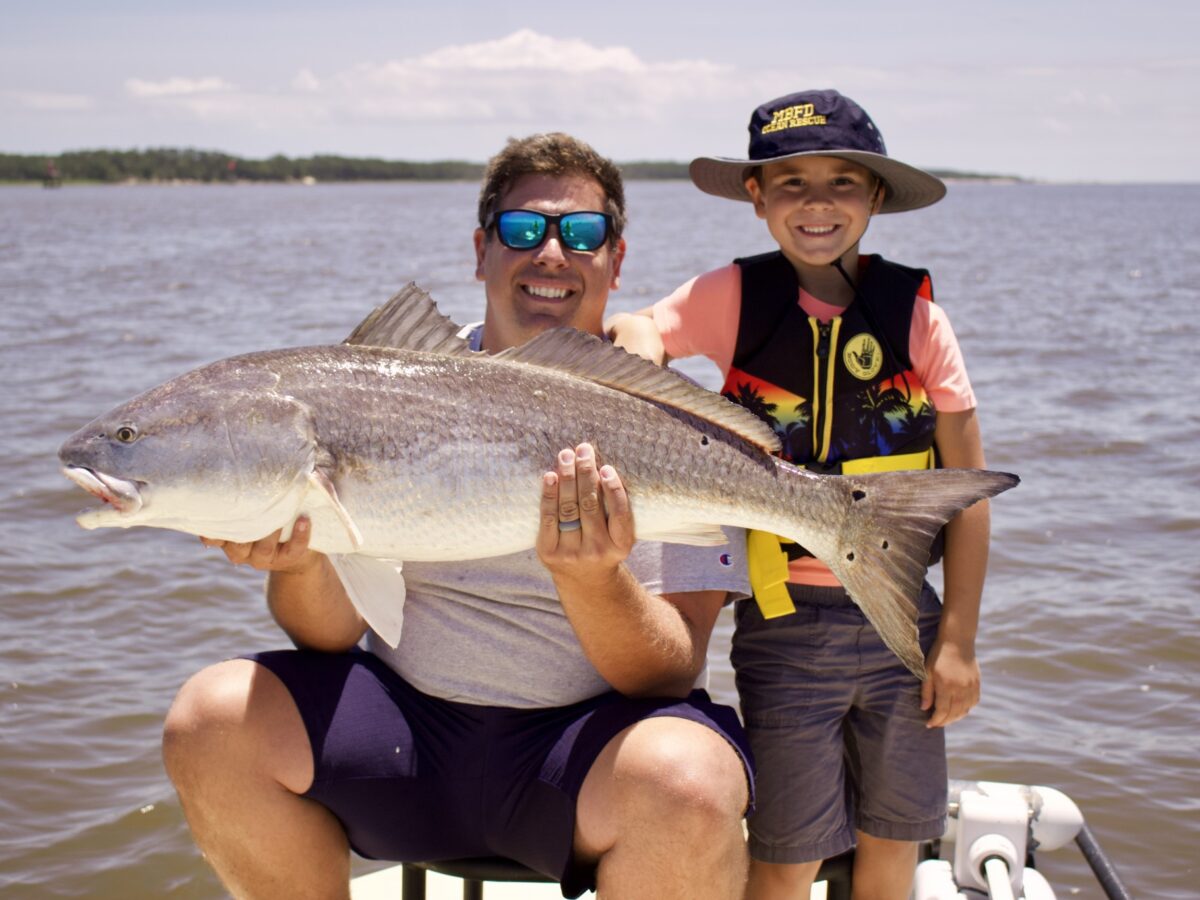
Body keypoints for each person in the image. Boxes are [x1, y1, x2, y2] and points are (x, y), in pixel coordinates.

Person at [162, 133, 755, 900]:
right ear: (481, 250)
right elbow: (328, 637)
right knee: (209, 720)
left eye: (581, 233)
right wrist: (306, 557)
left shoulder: (673, 420)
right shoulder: (377, 388)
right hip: (404, 739)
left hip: (581, 757)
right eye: (520, 230)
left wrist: (591, 580)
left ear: (616, 258)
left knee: (692, 782)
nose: (550, 252)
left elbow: (672, 670)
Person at [607, 90, 995, 900]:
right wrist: (644, 348)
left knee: (895, 842)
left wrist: (956, 640)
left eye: (842, 183)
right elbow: (644, 326)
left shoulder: (918, 317)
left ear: (876, 197)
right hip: (785, 629)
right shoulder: (735, 297)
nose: (817, 205)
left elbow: (968, 491)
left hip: (906, 627)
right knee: (787, 855)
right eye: (790, 183)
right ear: (757, 198)